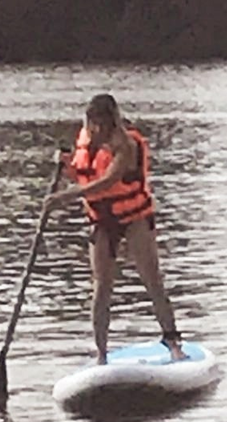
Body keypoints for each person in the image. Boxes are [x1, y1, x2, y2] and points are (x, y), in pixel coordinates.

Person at [42, 93, 187, 365]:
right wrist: (66, 167)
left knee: (151, 279)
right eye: (91, 123)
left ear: (111, 121)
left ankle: (172, 341)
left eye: (100, 123)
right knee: (101, 287)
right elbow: (86, 176)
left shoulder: (126, 145)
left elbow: (109, 181)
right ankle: (101, 354)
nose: (94, 129)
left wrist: (65, 197)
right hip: (102, 221)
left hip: (134, 218)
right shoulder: (87, 141)